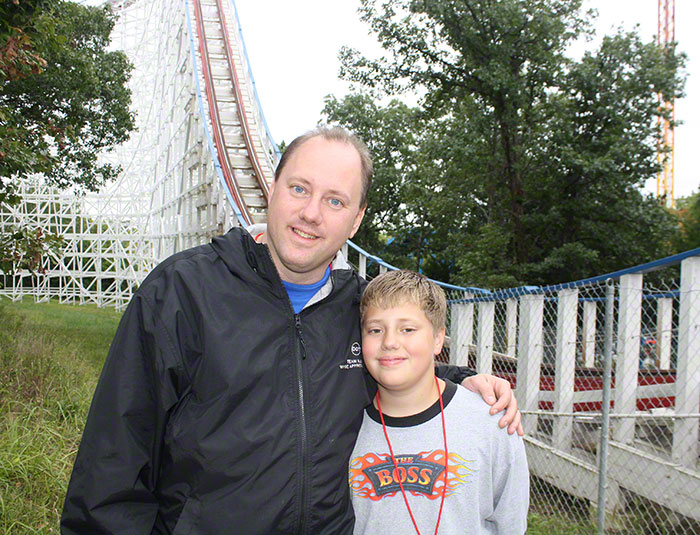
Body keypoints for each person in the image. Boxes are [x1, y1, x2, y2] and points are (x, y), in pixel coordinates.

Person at [61, 126, 523, 534]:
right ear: (273, 188)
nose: (311, 214)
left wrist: (464, 382)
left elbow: (396, 358)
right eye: (299, 188)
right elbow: (114, 459)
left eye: (335, 200)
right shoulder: (183, 290)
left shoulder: (360, 311)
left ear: (356, 218)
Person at [350, 270, 529, 534]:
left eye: (407, 329)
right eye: (375, 330)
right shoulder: (344, 425)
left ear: (437, 339)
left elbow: (510, 524)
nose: (389, 342)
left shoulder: (492, 422)